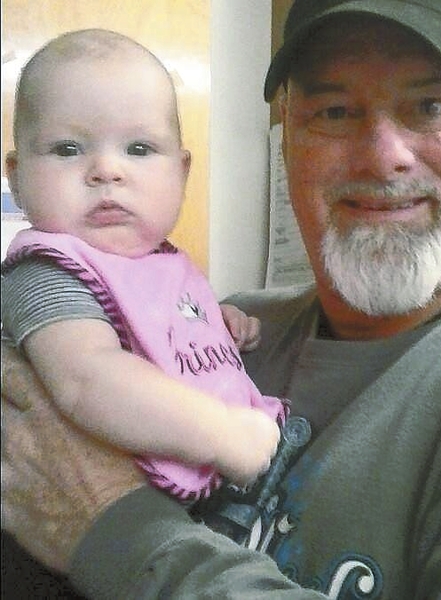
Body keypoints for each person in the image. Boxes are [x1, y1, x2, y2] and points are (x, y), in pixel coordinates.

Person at [2, 1, 441, 598]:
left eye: (431, 106)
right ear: (287, 141)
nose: (383, 155)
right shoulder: (229, 332)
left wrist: (116, 529)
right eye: (335, 111)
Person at [1, 28, 285, 505]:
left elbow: (151, 323)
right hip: (96, 513)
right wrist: (222, 433)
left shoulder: (160, 262)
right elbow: (87, 378)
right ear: (17, 177)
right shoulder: (47, 274)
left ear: (182, 171)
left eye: (138, 149)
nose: (106, 171)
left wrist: (210, 322)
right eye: (67, 149)